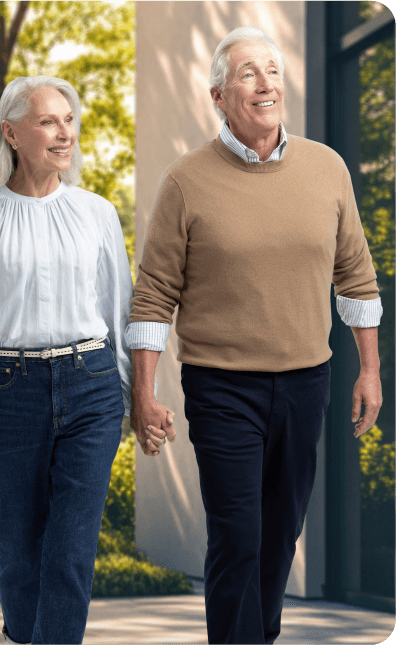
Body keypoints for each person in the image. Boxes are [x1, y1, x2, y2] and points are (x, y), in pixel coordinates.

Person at [125, 27, 383, 645]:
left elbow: (356, 275)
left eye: (271, 70)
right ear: (218, 95)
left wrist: (370, 369)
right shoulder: (187, 181)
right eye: (247, 73)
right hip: (221, 386)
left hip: (305, 381)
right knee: (237, 534)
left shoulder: (327, 168)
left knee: (279, 535)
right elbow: (154, 294)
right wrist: (145, 392)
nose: (265, 83)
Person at [0, 75, 164, 645]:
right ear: (10, 133)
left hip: (92, 385)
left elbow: (119, 310)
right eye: (48, 121)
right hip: (9, 391)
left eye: (69, 120)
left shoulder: (96, 213)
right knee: (19, 544)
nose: (65, 133)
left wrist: (138, 397)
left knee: (71, 543)